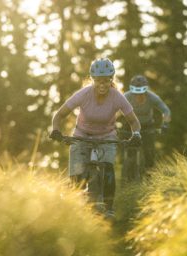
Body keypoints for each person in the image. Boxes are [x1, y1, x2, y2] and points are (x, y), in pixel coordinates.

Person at [50, 58, 141, 216]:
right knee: (77, 174)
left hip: (106, 136)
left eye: (106, 81)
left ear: (111, 80)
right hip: (82, 135)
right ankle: (75, 205)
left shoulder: (116, 96)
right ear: (93, 80)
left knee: (108, 168)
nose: (102, 85)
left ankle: (109, 208)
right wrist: (56, 130)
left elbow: (134, 121)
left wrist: (137, 134)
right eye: (98, 81)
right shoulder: (83, 94)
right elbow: (59, 115)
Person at [123, 74, 171, 169]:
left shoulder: (152, 97)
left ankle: (149, 176)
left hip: (147, 126)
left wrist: (165, 124)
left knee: (149, 154)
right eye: (136, 93)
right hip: (130, 126)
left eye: (141, 93)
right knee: (129, 153)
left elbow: (166, 111)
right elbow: (115, 110)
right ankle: (128, 174)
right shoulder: (126, 96)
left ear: (146, 90)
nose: (138, 96)